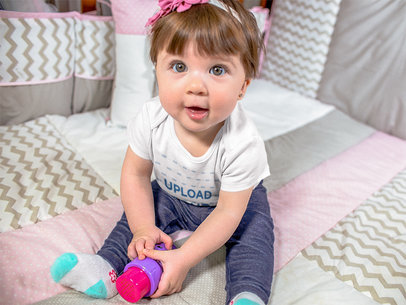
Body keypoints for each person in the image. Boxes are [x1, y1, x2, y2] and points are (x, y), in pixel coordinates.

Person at [50, 1, 274, 304]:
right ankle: (105, 267)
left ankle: (247, 293)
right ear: (157, 70)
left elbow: (228, 212)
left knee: (255, 234)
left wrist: (183, 259)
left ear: (242, 87)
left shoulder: (243, 142)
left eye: (217, 69)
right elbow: (135, 174)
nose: (196, 86)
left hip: (231, 205)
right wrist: (143, 227)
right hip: (171, 194)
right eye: (179, 67)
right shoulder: (151, 118)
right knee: (136, 211)